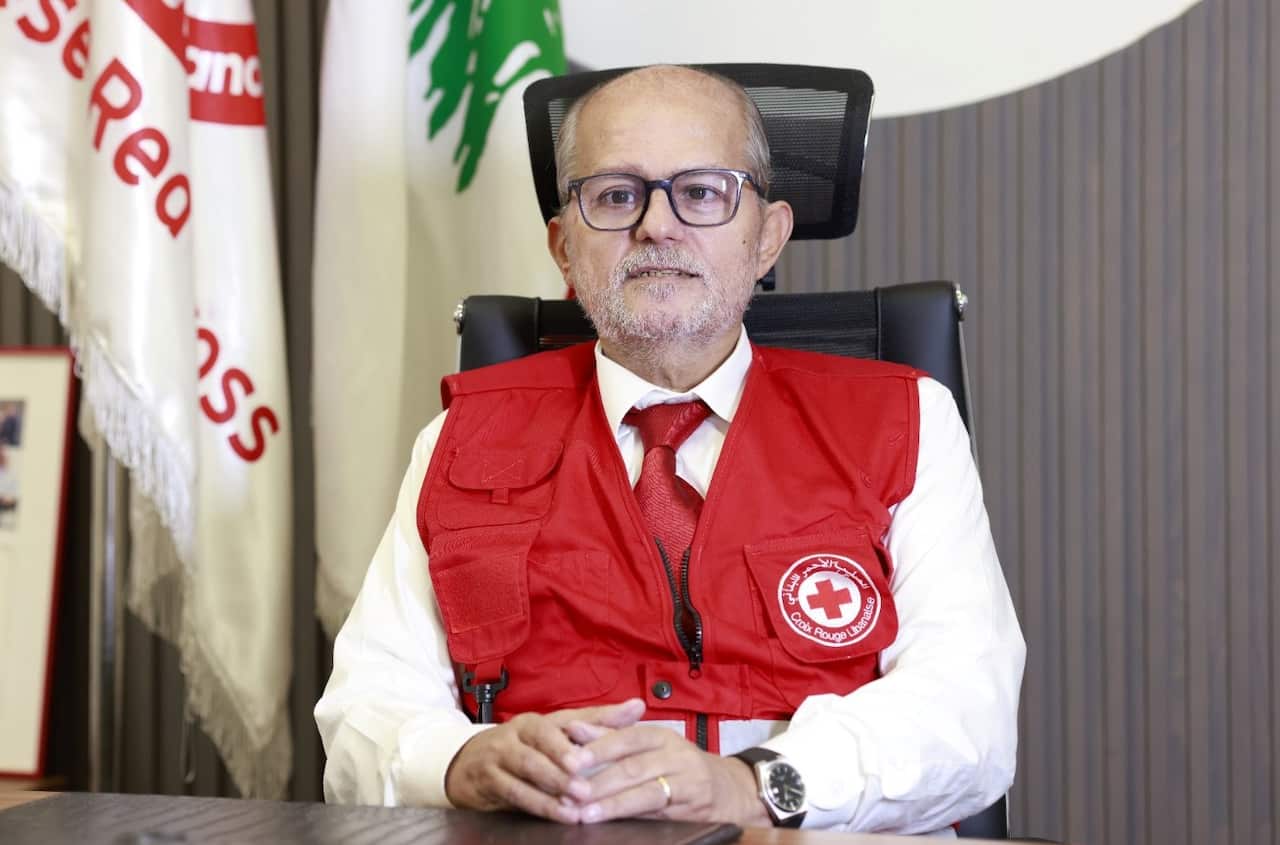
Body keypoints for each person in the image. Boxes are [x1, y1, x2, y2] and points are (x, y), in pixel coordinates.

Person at [316, 65, 1025, 835]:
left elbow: (968, 711)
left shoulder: (906, 420)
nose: (657, 225)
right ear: (563, 246)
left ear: (767, 237)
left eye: (702, 192)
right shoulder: (460, 438)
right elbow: (364, 707)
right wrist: (461, 760)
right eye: (616, 195)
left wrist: (749, 785)